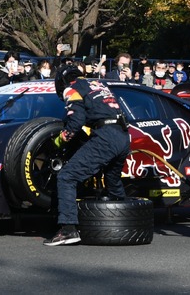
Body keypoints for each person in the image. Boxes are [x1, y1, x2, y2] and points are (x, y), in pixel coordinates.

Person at [44, 65, 130, 246]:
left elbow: (75, 121)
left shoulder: (72, 88)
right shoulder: (99, 84)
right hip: (123, 135)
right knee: (112, 180)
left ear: (61, 82)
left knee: (67, 177)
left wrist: (60, 141)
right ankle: (127, 223)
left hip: (106, 136)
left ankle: (68, 230)